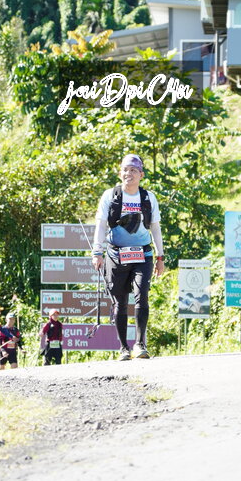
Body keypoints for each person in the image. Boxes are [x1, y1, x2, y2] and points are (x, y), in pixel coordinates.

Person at [91, 153, 164, 361]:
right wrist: (97, 252)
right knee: (119, 302)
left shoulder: (148, 198)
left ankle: (140, 345)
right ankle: (123, 347)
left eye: (133, 170)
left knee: (142, 295)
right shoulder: (110, 196)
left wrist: (160, 257)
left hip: (142, 253)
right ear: (119, 173)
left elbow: (155, 228)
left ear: (141, 175)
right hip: (116, 254)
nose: (128, 174)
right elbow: (101, 225)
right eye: (125, 170)